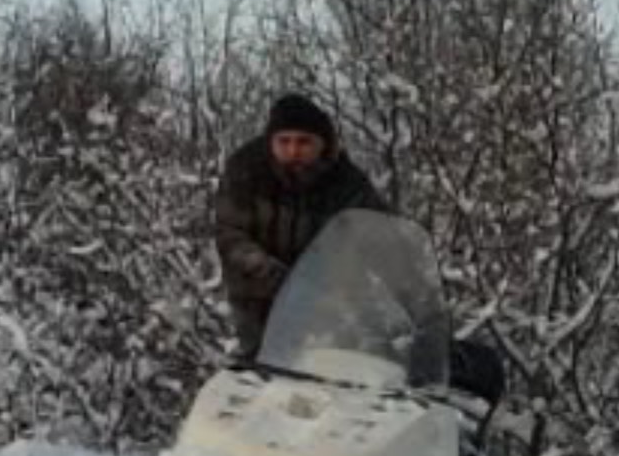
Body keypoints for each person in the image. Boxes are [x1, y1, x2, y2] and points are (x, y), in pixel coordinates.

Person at [213, 92, 506, 406]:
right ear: (270, 141)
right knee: (261, 374)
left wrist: (419, 301)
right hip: (256, 292)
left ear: (322, 143)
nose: (293, 150)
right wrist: (273, 274)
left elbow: (383, 239)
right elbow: (231, 234)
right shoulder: (246, 171)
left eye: (303, 142)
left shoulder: (345, 182)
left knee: (338, 371)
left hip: (321, 295)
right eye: (283, 141)